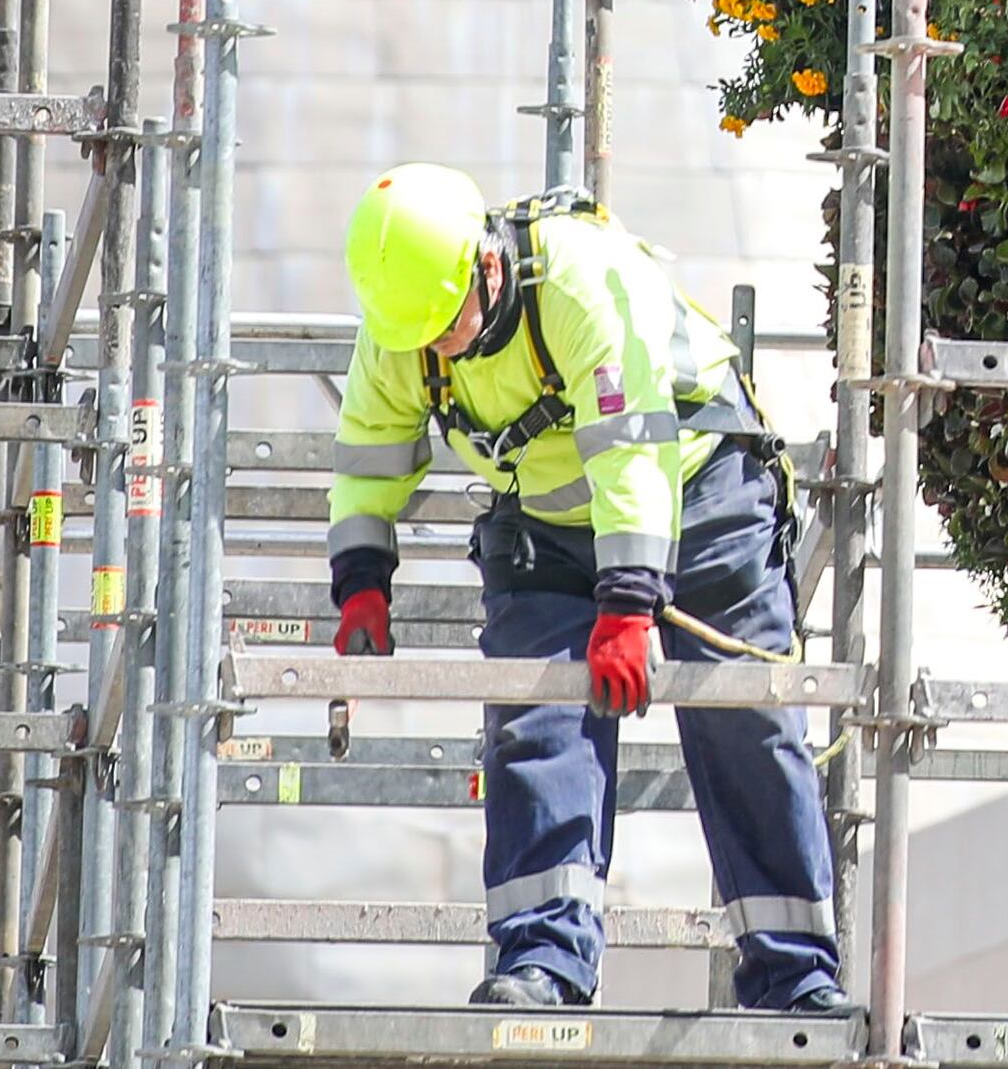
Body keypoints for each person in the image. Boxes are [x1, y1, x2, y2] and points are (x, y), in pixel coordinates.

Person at [328, 165, 845, 1014]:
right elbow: (369, 451)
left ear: (486, 267)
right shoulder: (405, 320)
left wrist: (630, 602)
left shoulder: (578, 281)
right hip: (545, 527)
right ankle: (543, 960)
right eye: (425, 339)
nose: (440, 350)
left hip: (700, 495)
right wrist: (361, 579)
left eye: (449, 329)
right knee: (536, 726)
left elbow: (630, 452)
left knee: (745, 723)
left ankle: (795, 975)